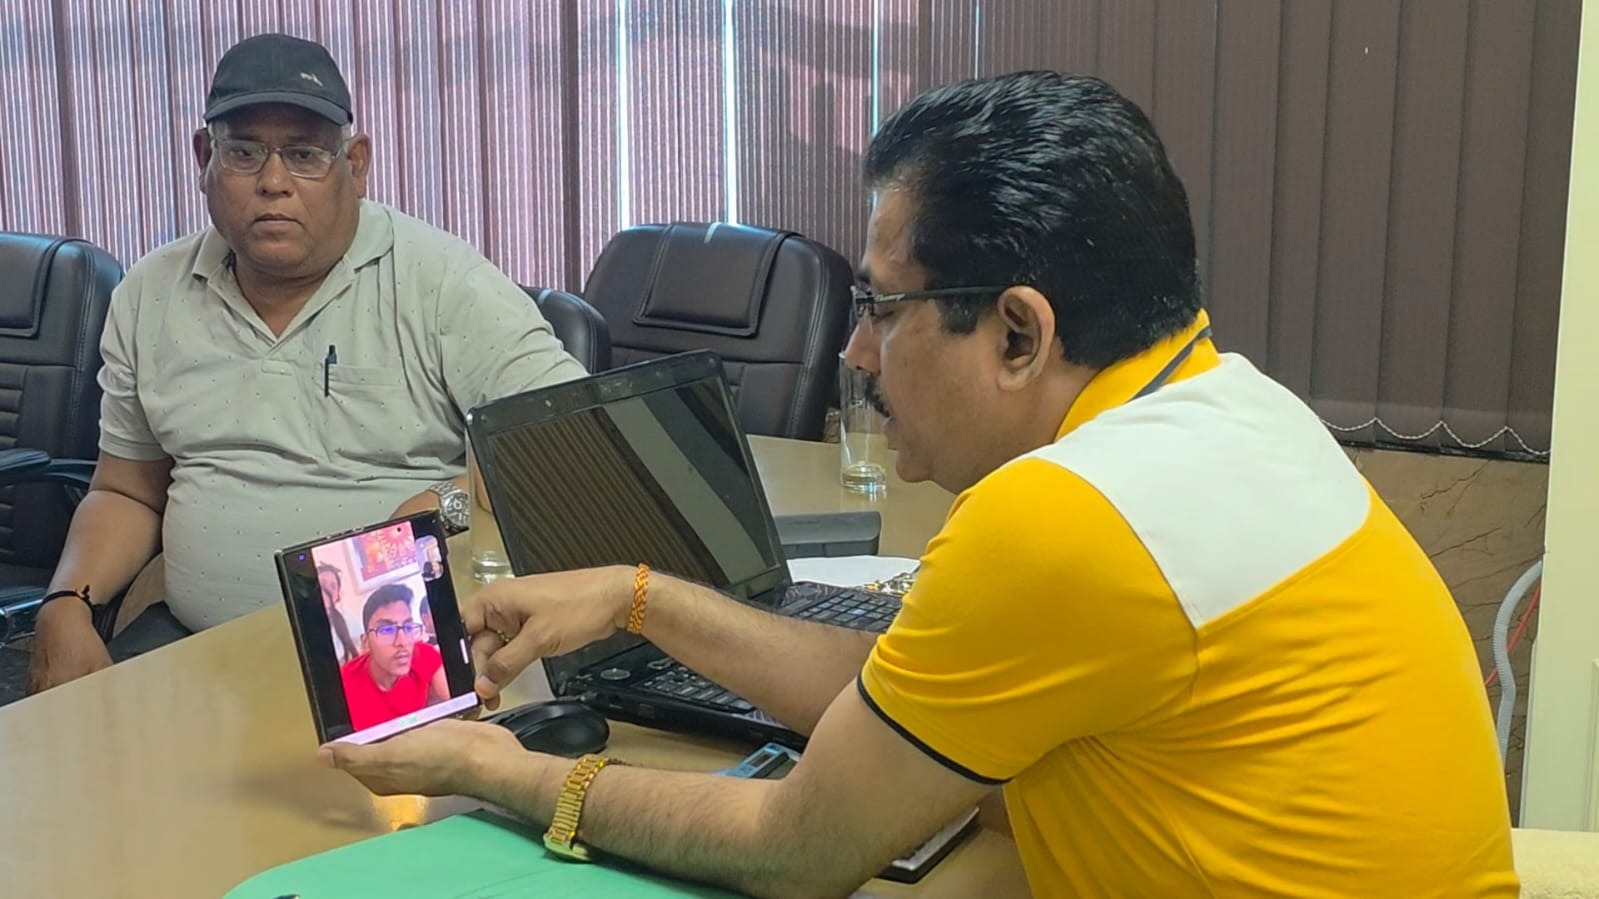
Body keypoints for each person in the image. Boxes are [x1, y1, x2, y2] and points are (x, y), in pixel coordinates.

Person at [323, 72, 1517, 898]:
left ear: (1018, 333)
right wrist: (642, 594)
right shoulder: (1231, 407)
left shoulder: (1065, 517)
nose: (855, 351)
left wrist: (498, 768)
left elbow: (798, 846)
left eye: (883, 308)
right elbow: (903, 692)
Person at [26, 33, 586, 693]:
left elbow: (570, 444)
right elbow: (126, 490)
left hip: (395, 654)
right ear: (204, 158)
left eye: (305, 154)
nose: (273, 182)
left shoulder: (442, 282)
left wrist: (447, 503)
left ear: (356, 163)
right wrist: (66, 603)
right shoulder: (151, 292)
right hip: (195, 651)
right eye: (243, 152)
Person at [339, 583, 446, 731]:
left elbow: (459, 702)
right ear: (366, 643)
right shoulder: (343, 686)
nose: (402, 642)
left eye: (408, 627)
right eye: (386, 630)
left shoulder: (424, 655)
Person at [317, 563, 361, 664]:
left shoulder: (348, 618)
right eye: (322, 584)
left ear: (337, 595)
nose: (327, 590)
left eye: (333, 586)